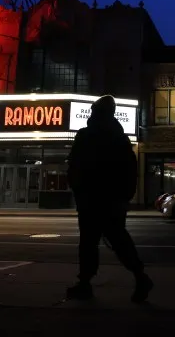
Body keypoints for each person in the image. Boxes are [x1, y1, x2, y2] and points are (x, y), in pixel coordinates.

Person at [66, 95, 153, 303]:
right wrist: (124, 197)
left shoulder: (86, 135)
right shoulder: (119, 138)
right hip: (111, 200)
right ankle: (139, 277)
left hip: (92, 198)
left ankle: (86, 283)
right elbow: (130, 171)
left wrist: (78, 188)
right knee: (117, 240)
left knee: (89, 243)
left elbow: (76, 165)